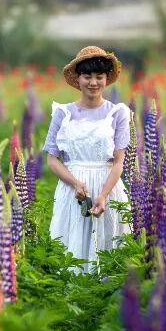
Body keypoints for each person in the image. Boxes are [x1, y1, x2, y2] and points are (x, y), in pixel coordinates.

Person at [42, 46, 132, 273]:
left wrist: (102, 195)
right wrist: (74, 183)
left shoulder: (118, 113)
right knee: (70, 254)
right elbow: (52, 160)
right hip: (72, 189)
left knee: (108, 253)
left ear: (106, 79)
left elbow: (119, 161)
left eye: (99, 76)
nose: (93, 82)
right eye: (87, 76)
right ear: (78, 79)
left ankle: (106, 303)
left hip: (108, 188)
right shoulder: (63, 113)